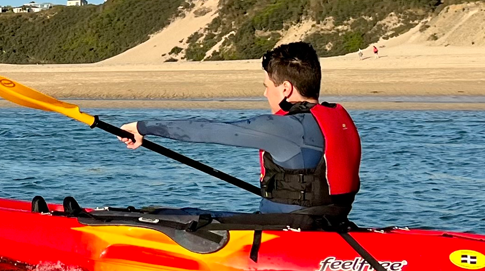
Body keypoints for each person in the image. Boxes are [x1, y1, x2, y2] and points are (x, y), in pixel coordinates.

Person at [119, 42, 362, 217]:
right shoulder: (338, 117)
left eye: (267, 86)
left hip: (290, 228)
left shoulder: (287, 127)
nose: (265, 93)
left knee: (173, 216)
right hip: (331, 222)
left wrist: (143, 127)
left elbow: (208, 130)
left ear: (285, 88)